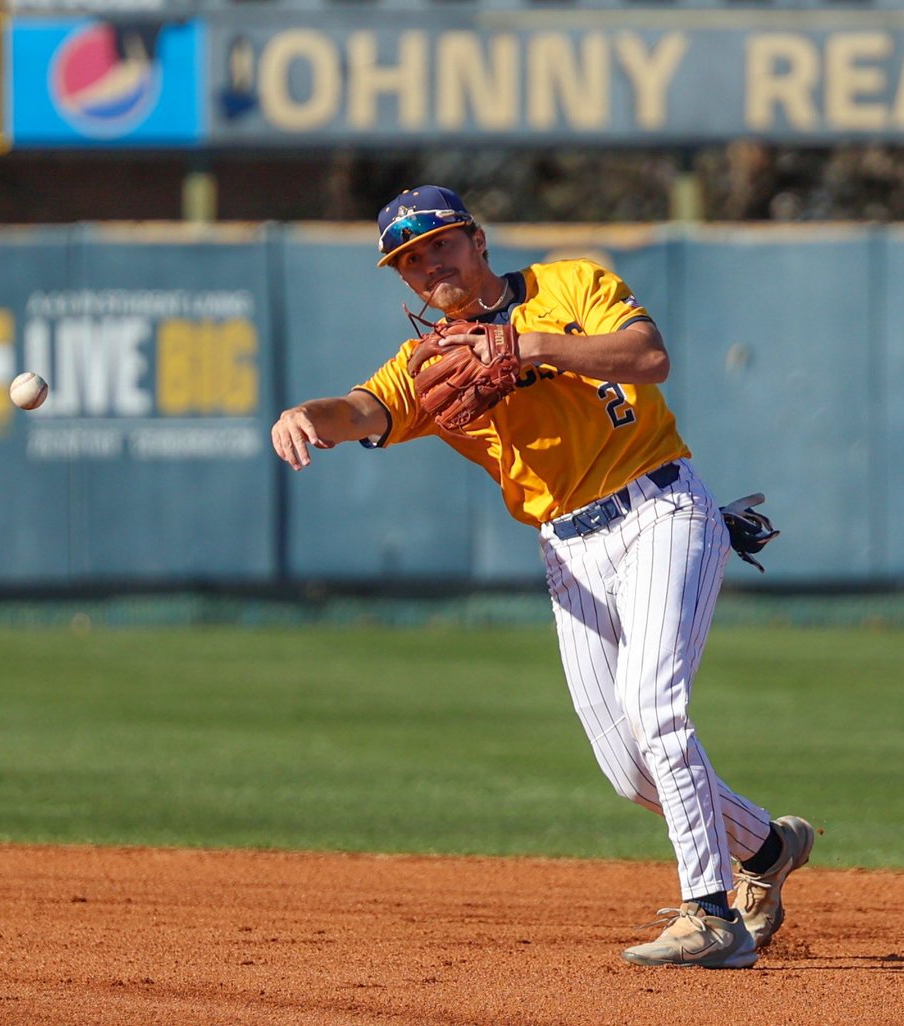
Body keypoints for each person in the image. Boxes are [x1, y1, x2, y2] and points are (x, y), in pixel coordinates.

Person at [270, 184, 814, 969]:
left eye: (440, 244)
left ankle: (711, 915)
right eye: (411, 261)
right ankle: (767, 851)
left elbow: (649, 357)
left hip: (660, 505)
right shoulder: (428, 365)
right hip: (568, 548)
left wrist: (523, 347)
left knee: (656, 711)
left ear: (478, 239)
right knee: (629, 769)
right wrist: (305, 416)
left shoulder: (571, 286)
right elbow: (361, 409)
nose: (430, 266)